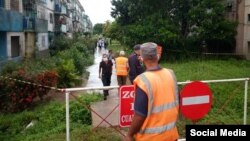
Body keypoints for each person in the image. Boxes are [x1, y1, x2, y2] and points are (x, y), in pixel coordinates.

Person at [124, 42, 179, 141]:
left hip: (151, 138)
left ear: (142, 58)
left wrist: (129, 135)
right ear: (156, 56)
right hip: (171, 135)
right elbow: (178, 100)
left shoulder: (143, 80)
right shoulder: (170, 74)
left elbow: (140, 115)